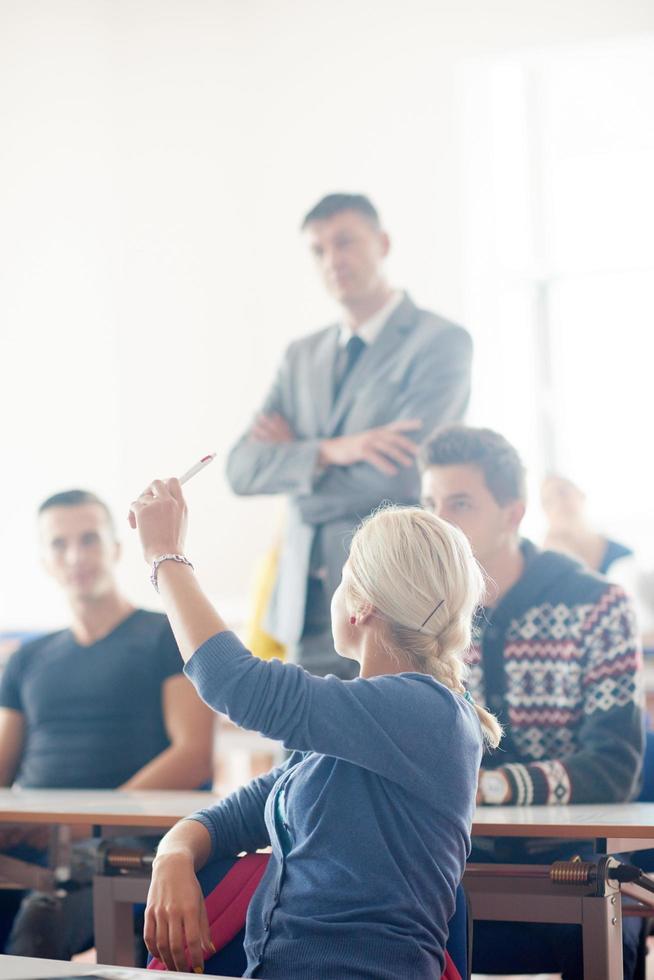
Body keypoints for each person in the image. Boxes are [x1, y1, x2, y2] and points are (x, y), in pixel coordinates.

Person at [128, 478, 500, 979]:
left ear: (362, 605)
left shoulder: (427, 712)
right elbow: (237, 815)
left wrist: (165, 556)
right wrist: (173, 853)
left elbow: (235, 684)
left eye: (342, 578)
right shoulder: (348, 732)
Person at [420, 425, 644, 979]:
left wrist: (490, 787)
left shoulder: (598, 604)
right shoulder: (420, 610)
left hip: (571, 874)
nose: (438, 522)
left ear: (514, 513)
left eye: (461, 504)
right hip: (448, 871)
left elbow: (613, 769)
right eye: (429, 504)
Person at [226, 192, 473, 679]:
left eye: (345, 242)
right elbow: (240, 469)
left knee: (380, 750)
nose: (332, 260)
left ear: (381, 243)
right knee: (300, 755)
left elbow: (400, 479)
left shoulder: (439, 342)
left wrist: (295, 467)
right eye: (318, 250)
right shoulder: (301, 356)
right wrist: (335, 451)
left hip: (390, 606)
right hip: (303, 607)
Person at [0, 489, 214, 959]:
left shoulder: (165, 634)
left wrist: (80, 826)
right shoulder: (26, 660)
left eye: (89, 539)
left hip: (121, 847)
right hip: (34, 842)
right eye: (59, 544)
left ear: (116, 548)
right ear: (43, 559)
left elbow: (193, 755)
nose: (76, 556)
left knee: (41, 920)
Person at [541, 473, 633, 574]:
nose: (558, 504)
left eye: (562, 493)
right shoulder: (547, 565)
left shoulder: (623, 557)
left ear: (581, 495)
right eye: (548, 501)